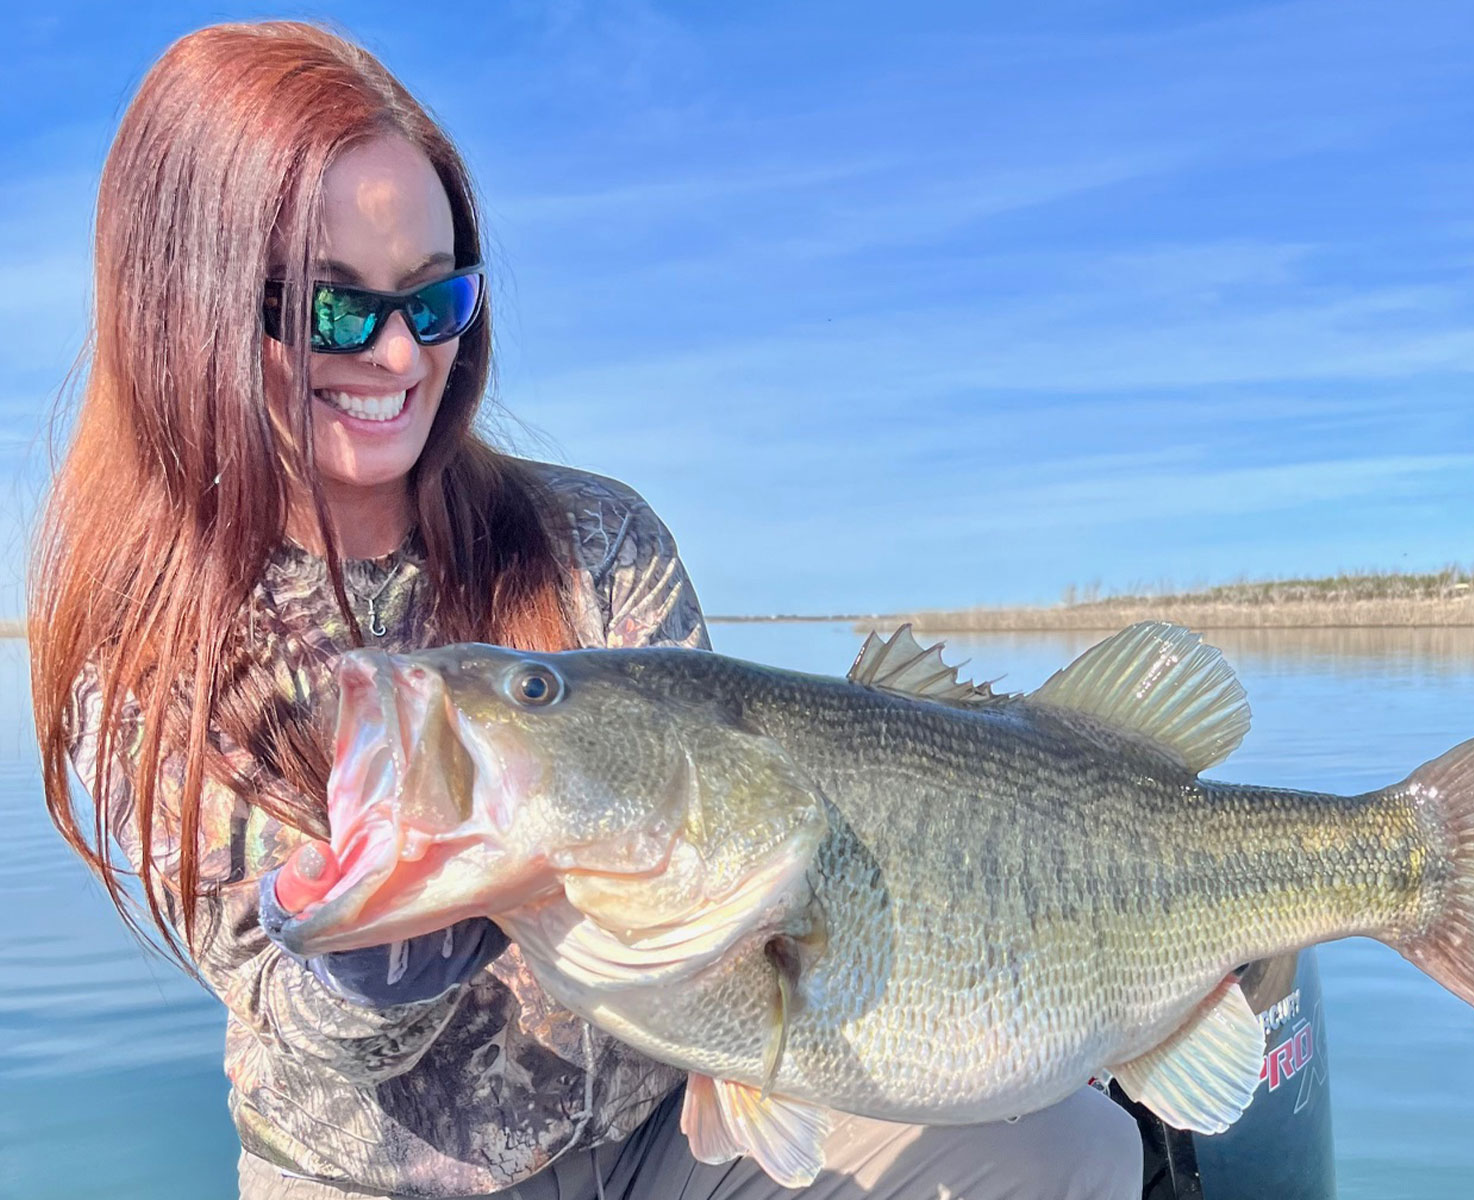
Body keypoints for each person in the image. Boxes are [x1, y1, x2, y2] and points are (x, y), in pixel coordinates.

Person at [30, 21, 1142, 1200]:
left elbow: (745, 899)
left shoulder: (599, 540)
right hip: (370, 1179)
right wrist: (372, 966)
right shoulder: (152, 655)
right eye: (334, 308)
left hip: (675, 1131)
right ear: (184, 310)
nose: (402, 356)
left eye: (434, 297)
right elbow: (295, 1020)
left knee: (1068, 1148)